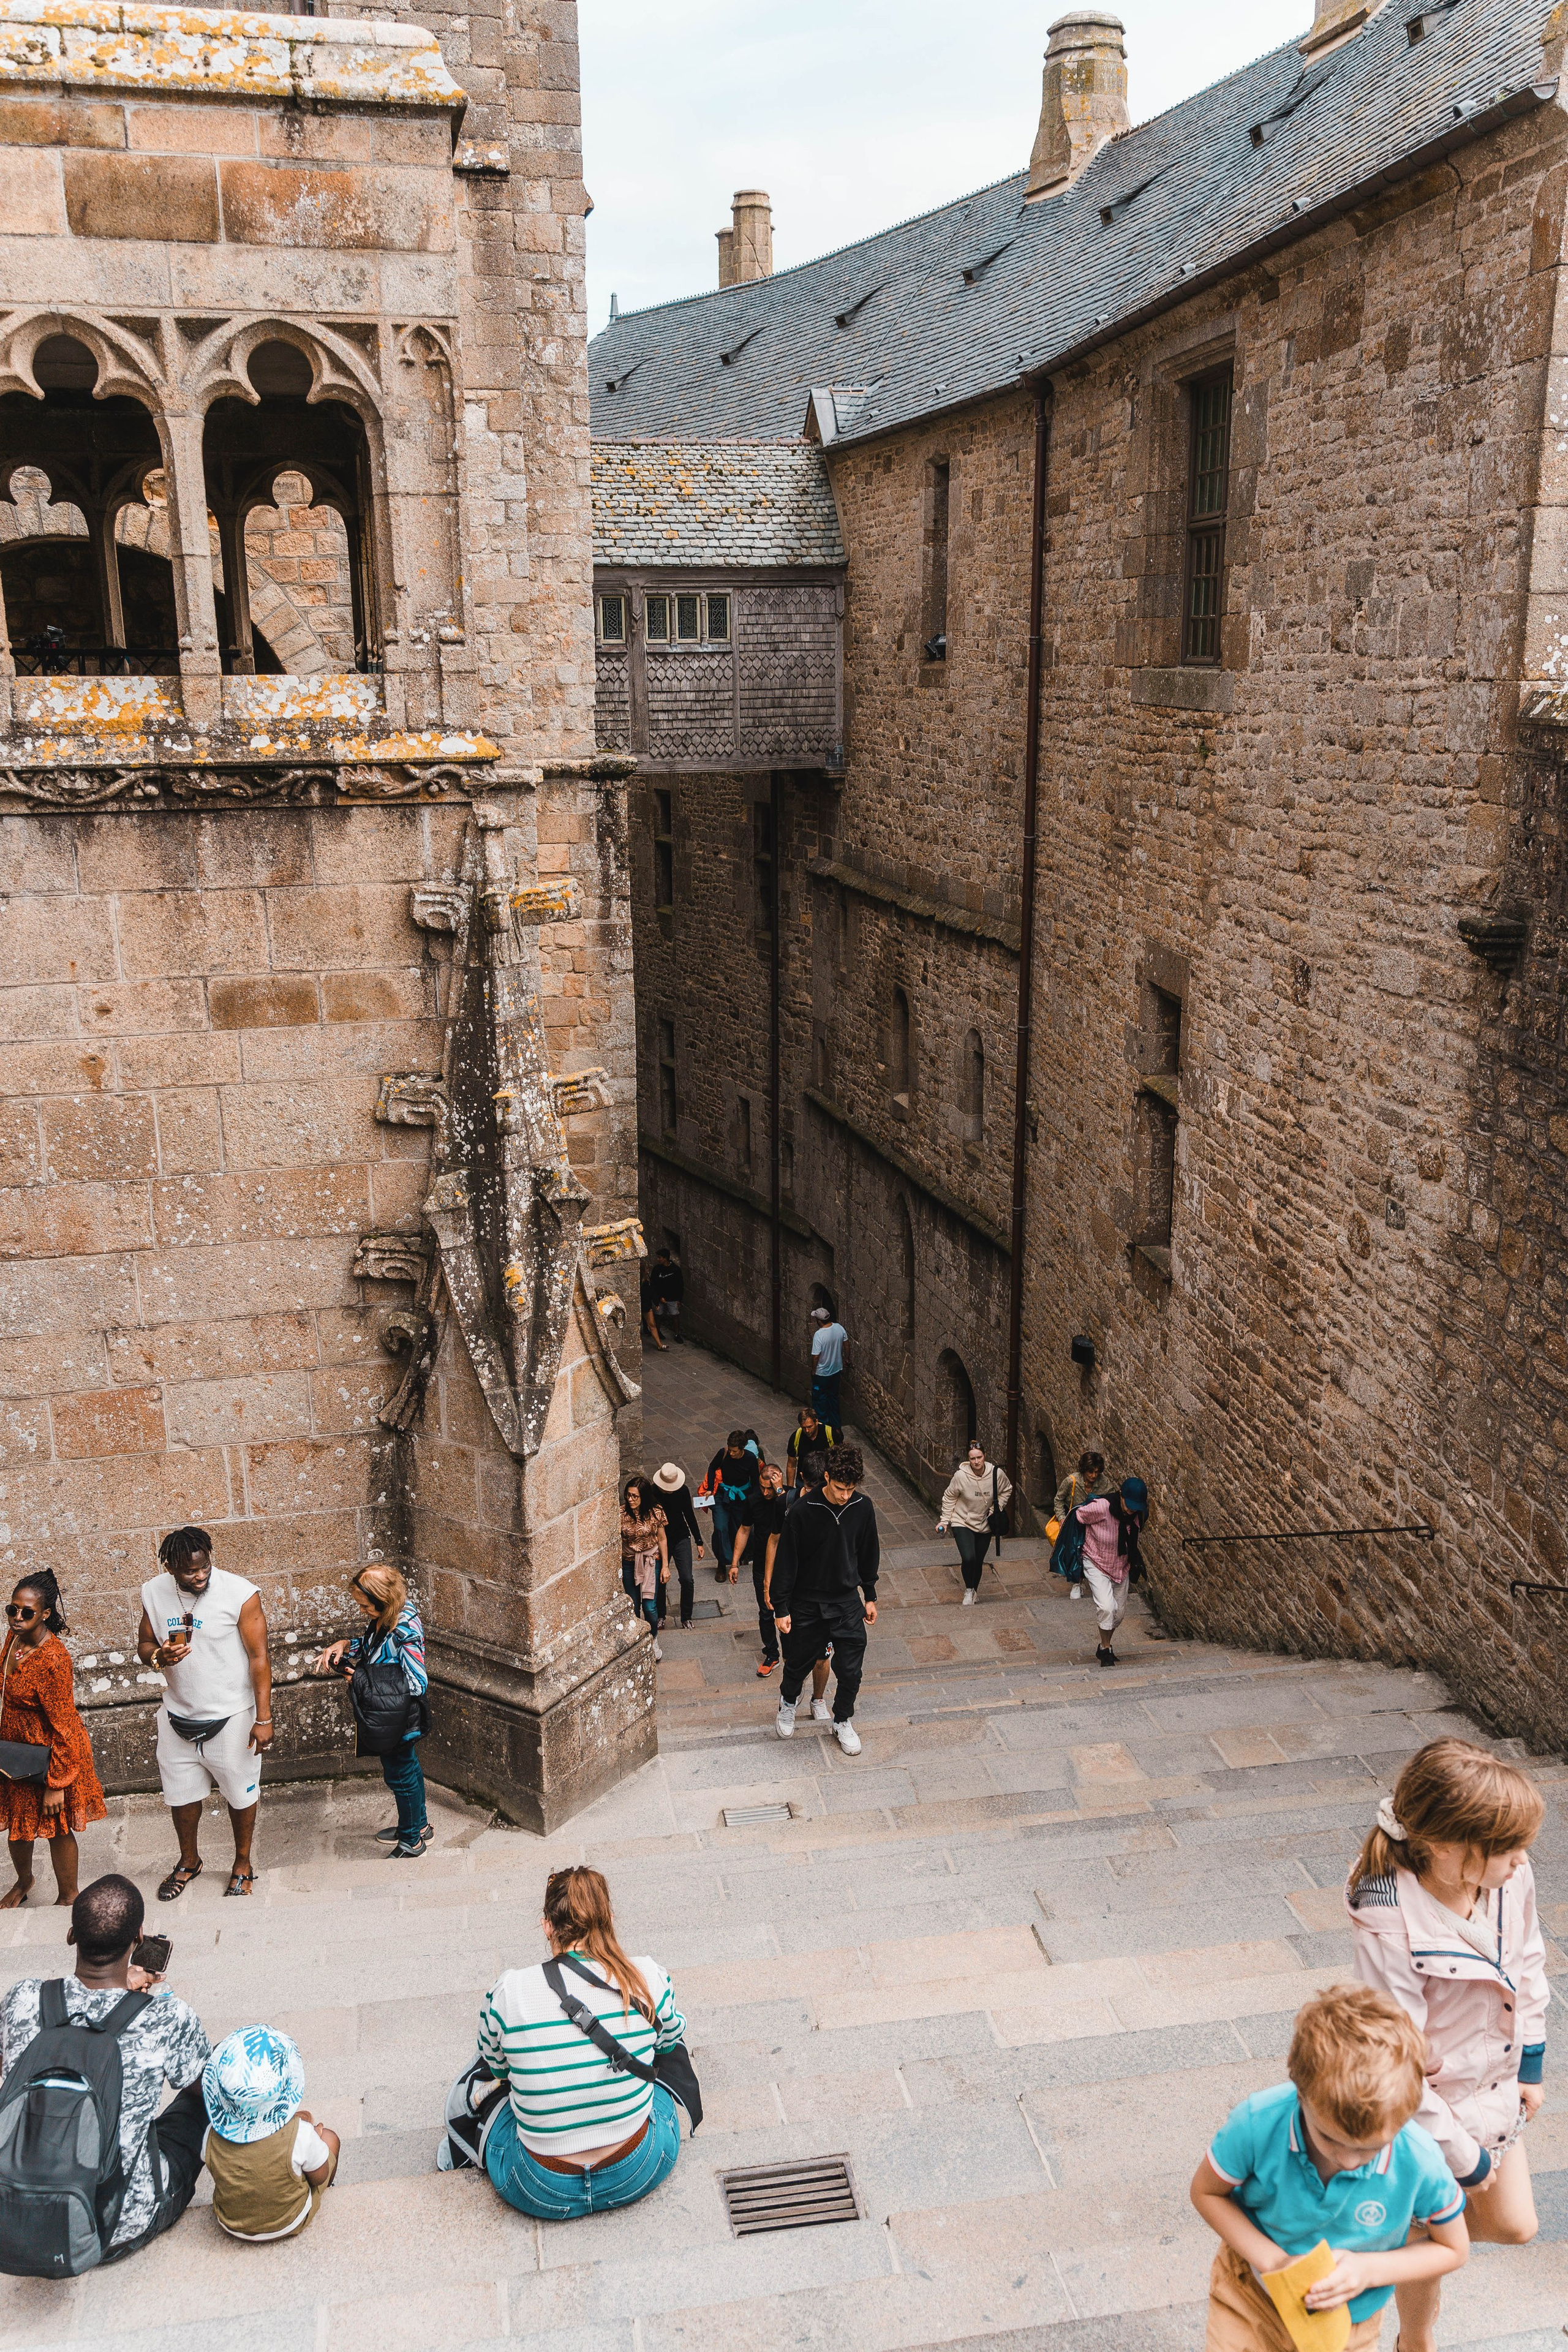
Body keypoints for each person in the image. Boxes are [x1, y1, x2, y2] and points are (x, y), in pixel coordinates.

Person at [1346, 1738, 1548, 2352]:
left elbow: (1530, 1961)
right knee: (1435, 2240)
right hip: (1427, 2111)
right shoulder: (1385, 1912)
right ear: (1446, 1847)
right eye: (1506, 1848)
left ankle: (1398, 2231)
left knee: (1514, 2226)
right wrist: (1463, 2158)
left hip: (1494, 2089)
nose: (1521, 1859)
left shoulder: (1509, 1877)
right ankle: (1416, 2337)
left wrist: (1530, 2064)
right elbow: (1397, 2063)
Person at [1190, 1981, 1467, 2348]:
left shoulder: (1420, 2159)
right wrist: (1274, 2262)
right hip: (1252, 2297)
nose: (1349, 2160)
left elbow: (1453, 2248)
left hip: (1348, 2321)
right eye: (1330, 2139)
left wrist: (1368, 2270)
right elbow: (1207, 2192)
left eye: (1371, 2148)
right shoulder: (1257, 2122)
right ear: (1301, 2095)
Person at [0, 1874, 211, 2260]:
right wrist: (134, 2002)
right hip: (117, 2227)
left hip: (16, 2213)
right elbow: (207, 2087)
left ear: (71, 1935)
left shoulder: (23, 1999)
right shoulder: (166, 2016)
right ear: (139, 1939)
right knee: (197, 2103)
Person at [476, 1864, 687, 2219]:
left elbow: (499, 2068)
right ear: (610, 1918)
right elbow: (670, 2043)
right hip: (638, 2169)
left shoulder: (509, 1992)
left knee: (503, 2105)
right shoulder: (649, 1977)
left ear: (546, 1925)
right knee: (661, 2088)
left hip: (539, 2187)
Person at [137, 1525, 274, 1901]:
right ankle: (188, 1861)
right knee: (180, 1796)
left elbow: (260, 1657)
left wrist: (264, 1719)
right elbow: (145, 1643)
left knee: (240, 1794)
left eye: (204, 1568)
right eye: (188, 1572)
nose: (199, 1576)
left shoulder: (240, 1594)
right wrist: (157, 1657)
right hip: (177, 1714)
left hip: (232, 1716)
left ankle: (242, 1863)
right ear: (169, 1567)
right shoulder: (153, 1591)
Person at [0, 1569, 106, 1909]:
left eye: (27, 1612)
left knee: (57, 1825)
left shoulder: (54, 1659)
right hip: (16, 1750)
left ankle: (69, 1895)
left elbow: (64, 1725)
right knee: (18, 1822)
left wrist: (57, 1782)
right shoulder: (15, 1637)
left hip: (51, 1752)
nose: (17, 1618)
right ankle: (24, 1880)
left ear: (45, 1614)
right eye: (12, 1610)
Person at [314, 1567, 431, 1860]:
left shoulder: (405, 1630)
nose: (362, 1610)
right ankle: (418, 1825)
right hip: (391, 1715)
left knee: (401, 1777)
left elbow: (417, 1683)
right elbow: (373, 1650)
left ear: (384, 1600)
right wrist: (345, 1645)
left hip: (398, 1720)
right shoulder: (385, 1620)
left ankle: (411, 1842)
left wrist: (361, 1680)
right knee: (409, 1769)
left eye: (366, 1605)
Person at [771, 1442, 878, 1755]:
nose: (846, 1495)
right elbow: (786, 1562)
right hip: (807, 1602)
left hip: (846, 1601)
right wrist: (781, 1606)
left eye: (851, 1488)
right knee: (797, 1664)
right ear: (827, 1477)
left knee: (851, 1670)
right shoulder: (803, 1511)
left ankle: (842, 1720)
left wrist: (869, 1595)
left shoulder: (863, 1507)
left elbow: (869, 1553)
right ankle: (788, 1702)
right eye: (841, 1488)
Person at [202, 2024, 341, 2242]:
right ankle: (330, 2191)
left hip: (230, 2223)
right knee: (331, 2138)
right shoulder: (301, 2136)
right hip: (288, 2221)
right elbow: (319, 2175)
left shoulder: (211, 2134)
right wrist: (314, 2137)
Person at [1074, 1476, 1148, 1667]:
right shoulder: (1102, 1507)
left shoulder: (1139, 1513)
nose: (1131, 1509)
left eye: (1136, 1506)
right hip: (1096, 1561)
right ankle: (1106, 1649)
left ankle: (1104, 1646)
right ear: (1121, 1495)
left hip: (1121, 1566)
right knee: (1107, 1607)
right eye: (1129, 1504)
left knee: (1119, 1613)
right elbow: (1079, 1515)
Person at [729, 1461, 788, 1676]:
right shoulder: (753, 1500)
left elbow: (790, 1513)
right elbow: (744, 1530)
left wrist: (780, 1490)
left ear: (778, 1480)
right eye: (762, 1487)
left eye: (769, 1488)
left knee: (790, 1609)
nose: (765, 1492)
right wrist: (735, 1563)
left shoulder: (789, 1497)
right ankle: (772, 1654)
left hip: (789, 1564)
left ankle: (791, 1653)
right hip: (762, 1565)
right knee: (766, 1611)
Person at [937, 1438, 1013, 1607]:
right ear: (968, 1459)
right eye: (973, 1458)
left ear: (984, 1456)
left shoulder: (996, 1474)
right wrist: (945, 1521)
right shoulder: (961, 1476)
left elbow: (1007, 1490)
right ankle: (969, 1590)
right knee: (969, 1557)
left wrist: (996, 1508)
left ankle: (974, 1591)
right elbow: (949, 1497)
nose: (977, 1461)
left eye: (979, 1457)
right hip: (962, 1521)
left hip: (985, 1523)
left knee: (978, 1560)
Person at [619, 1477, 668, 1662]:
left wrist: (665, 1566)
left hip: (650, 1561)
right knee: (634, 1605)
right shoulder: (621, 1514)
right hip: (629, 1561)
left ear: (644, 1497)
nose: (630, 1499)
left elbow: (662, 1539)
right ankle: (637, 1641)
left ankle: (653, 1638)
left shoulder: (656, 1512)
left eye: (635, 1496)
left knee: (650, 1606)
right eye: (628, 1495)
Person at [1052, 1450, 1112, 1602]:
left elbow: (1111, 1502)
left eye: (1096, 1472)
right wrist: (1062, 1518)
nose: (1093, 1476)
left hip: (1094, 1524)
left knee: (1092, 1553)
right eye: (1090, 1472)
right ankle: (1077, 1583)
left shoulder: (1104, 1484)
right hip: (1075, 1522)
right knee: (1075, 1552)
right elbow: (1058, 1500)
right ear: (1084, 1470)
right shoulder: (1072, 1481)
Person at [651, 1463, 706, 1629]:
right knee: (660, 1579)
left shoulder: (682, 1491)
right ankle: (661, 1615)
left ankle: (686, 1617)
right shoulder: (652, 1492)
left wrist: (699, 1541)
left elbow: (688, 1514)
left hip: (680, 1537)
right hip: (659, 1539)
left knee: (687, 1579)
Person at [705, 1431, 761, 1585]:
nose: (731, 1453)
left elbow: (755, 1482)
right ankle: (722, 1563)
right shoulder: (723, 1454)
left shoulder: (750, 1459)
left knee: (737, 1529)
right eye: (730, 1449)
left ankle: (736, 1559)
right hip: (724, 1495)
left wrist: (754, 1501)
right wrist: (710, 1487)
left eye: (735, 1451)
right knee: (721, 1527)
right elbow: (712, 1467)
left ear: (742, 1449)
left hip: (742, 1497)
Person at [785, 1404, 839, 1494]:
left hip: (826, 1481)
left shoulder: (831, 1434)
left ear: (816, 1422)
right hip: (803, 1482)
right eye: (803, 1428)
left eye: (810, 1427)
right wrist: (790, 1490)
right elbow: (791, 1465)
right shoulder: (796, 1437)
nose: (807, 1431)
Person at [809, 1306, 848, 1425]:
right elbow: (846, 1345)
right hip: (836, 1370)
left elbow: (816, 1356)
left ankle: (822, 1427)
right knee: (833, 1398)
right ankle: (836, 1426)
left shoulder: (819, 1335)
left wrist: (814, 1370)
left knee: (820, 1400)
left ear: (819, 1321)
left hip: (822, 1373)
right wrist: (847, 1359)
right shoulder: (839, 1328)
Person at [649, 1247, 684, 1344]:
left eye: (660, 1257)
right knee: (658, 1315)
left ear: (665, 1258)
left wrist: (679, 1300)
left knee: (675, 1315)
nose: (658, 1259)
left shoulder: (675, 1270)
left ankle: (677, 1334)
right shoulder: (657, 1269)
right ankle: (658, 1332)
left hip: (672, 1298)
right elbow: (654, 1285)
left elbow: (680, 1285)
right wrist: (659, 1298)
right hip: (660, 1298)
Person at [639, 1270, 666, 1352]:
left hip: (646, 1306)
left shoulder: (648, 1281)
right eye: (646, 1269)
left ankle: (660, 1345)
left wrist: (656, 1303)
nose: (648, 1271)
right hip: (641, 1305)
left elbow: (652, 1292)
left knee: (652, 1325)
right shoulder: (640, 1282)